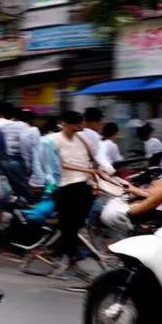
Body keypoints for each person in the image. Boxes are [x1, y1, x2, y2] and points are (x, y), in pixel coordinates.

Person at [50, 110, 98, 271]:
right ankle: (69, 253)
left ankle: (62, 250)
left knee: (77, 221)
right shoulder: (53, 140)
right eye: (74, 125)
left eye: (80, 124)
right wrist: (87, 171)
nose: (78, 128)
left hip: (83, 182)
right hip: (63, 184)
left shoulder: (82, 139)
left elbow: (91, 159)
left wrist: (93, 176)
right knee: (69, 221)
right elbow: (59, 164)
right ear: (64, 124)